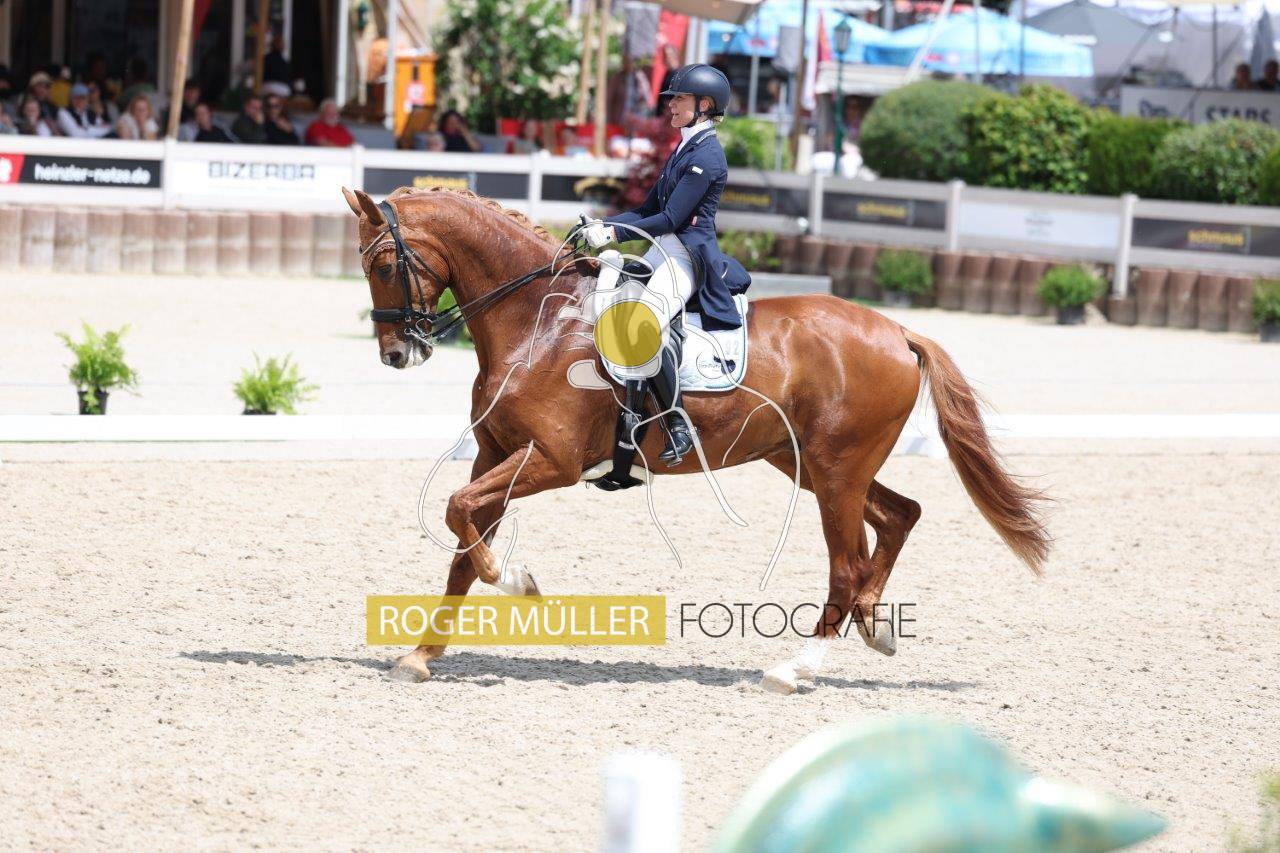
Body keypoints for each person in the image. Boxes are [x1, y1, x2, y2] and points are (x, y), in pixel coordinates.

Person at [581, 63, 751, 465]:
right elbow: (647, 210)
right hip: (661, 249)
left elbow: (672, 218)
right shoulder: (685, 148)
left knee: (646, 323)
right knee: (610, 302)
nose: (671, 105)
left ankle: (677, 423)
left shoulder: (707, 156)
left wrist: (615, 234)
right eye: (672, 98)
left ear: (704, 105)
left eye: (680, 99)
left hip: (686, 256)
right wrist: (601, 225)